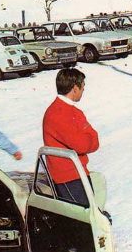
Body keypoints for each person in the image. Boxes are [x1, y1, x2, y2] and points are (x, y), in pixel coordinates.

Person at [43, 68, 99, 205]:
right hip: (68, 177)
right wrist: (90, 136)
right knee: (85, 214)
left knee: (91, 212)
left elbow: (92, 140)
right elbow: (83, 144)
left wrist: (90, 137)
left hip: (77, 172)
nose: (83, 90)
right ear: (75, 88)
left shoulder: (69, 111)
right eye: (83, 86)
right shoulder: (59, 113)